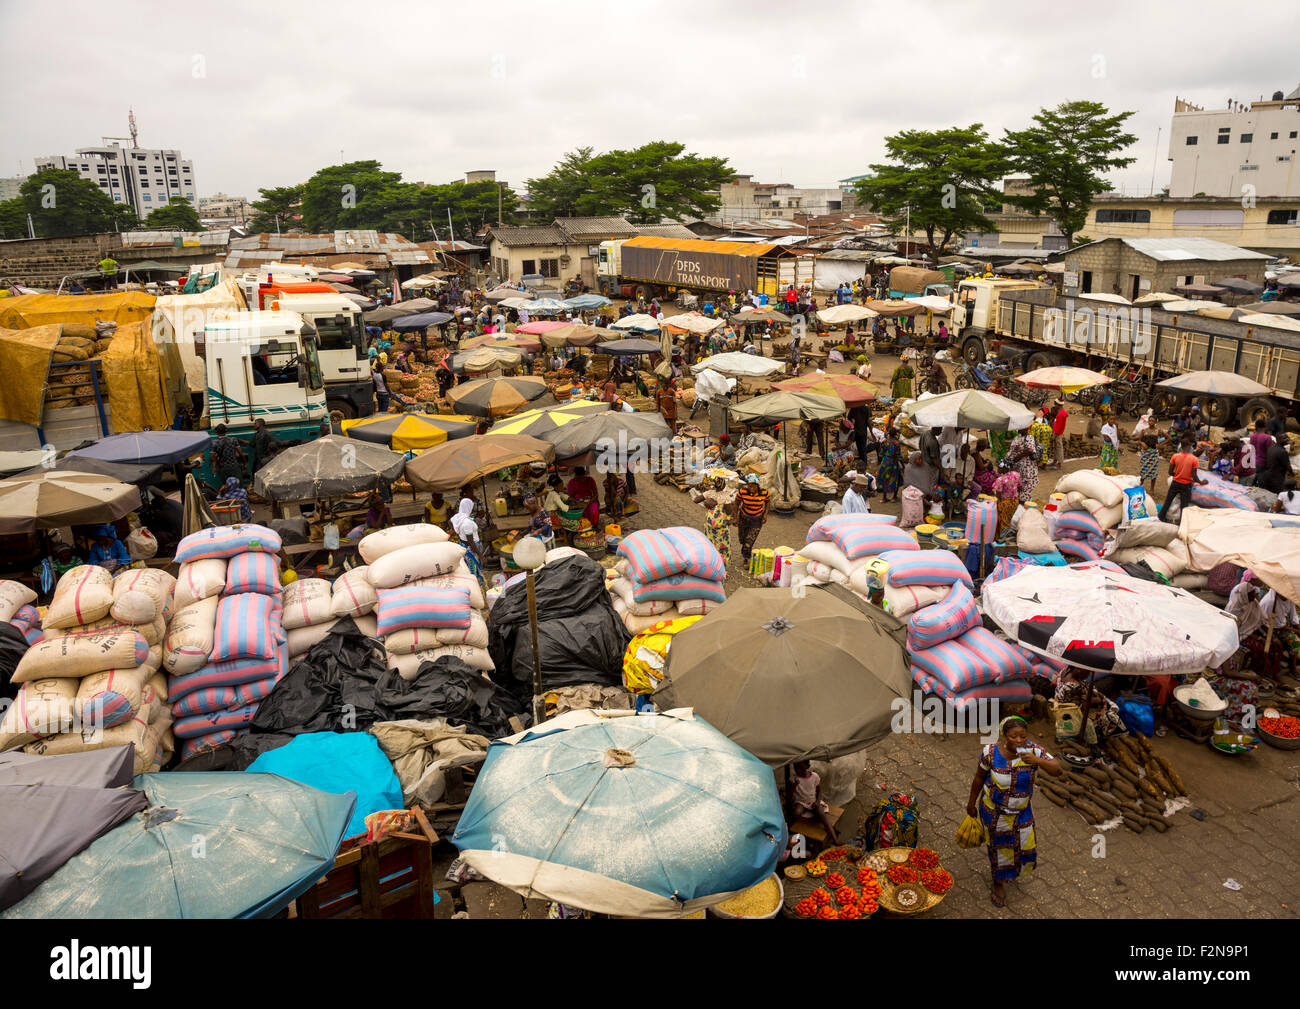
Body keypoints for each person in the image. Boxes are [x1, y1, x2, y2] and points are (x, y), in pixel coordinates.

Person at [966, 715, 1062, 907]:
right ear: (1004, 736)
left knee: (1024, 846)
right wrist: (970, 804)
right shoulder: (990, 753)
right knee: (999, 848)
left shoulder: (1033, 750)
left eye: (1022, 736)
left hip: (1022, 811)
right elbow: (978, 778)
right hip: (995, 812)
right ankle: (998, 882)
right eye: (1013, 737)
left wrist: (1036, 760)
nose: (1019, 741)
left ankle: (1012, 872)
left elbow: (1057, 769)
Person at [1054, 668, 1126, 739]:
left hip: (1066, 706)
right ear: (1079, 670)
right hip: (1073, 715)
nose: (1089, 675)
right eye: (1087, 672)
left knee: (1109, 704)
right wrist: (1097, 700)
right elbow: (1081, 706)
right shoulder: (1074, 687)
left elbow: (1083, 693)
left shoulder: (1065, 671)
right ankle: (1103, 736)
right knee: (1112, 717)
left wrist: (1095, 694)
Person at [789, 759, 839, 844]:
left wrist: (817, 801)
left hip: (812, 801)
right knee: (797, 812)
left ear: (807, 766)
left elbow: (819, 791)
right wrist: (794, 786)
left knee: (822, 815)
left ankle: (835, 839)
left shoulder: (814, 776)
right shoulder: (794, 779)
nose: (798, 770)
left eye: (801, 768)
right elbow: (789, 796)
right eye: (796, 768)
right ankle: (800, 834)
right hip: (801, 802)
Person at [1158, 439, 1207, 522]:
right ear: (1189, 447)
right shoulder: (1194, 459)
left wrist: (1178, 475)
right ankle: (1182, 523)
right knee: (1184, 506)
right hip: (1186, 485)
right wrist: (1201, 482)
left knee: (1167, 502)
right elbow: (1194, 476)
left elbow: (1170, 472)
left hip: (1175, 483)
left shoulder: (1175, 456)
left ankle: (1160, 519)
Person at [734, 474, 768, 565]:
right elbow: (736, 503)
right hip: (743, 518)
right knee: (742, 539)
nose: (751, 488)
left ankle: (746, 558)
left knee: (749, 541)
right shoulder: (742, 492)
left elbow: (768, 502)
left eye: (754, 486)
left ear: (758, 485)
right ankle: (745, 548)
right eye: (749, 485)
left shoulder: (764, 493)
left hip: (757, 520)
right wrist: (735, 518)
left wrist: (765, 514)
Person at [451, 498, 486, 585]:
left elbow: (450, 522)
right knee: (473, 570)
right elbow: (471, 541)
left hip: (464, 545)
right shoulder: (467, 523)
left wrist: (459, 534)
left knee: (467, 569)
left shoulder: (458, 517)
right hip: (472, 549)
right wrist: (481, 555)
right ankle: (477, 588)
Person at [702, 476, 734, 568]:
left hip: (709, 528)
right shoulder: (725, 496)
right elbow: (729, 511)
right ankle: (721, 568)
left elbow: (696, 500)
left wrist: (708, 501)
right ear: (724, 485)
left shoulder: (710, 493)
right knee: (722, 549)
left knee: (710, 545)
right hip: (721, 530)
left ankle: (710, 565)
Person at [877, 427, 902, 503]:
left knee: (884, 478)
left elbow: (881, 454)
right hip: (893, 462)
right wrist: (903, 466)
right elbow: (898, 455)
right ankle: (894, 497)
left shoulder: (884, 442)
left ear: (889, 434)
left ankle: (884, 498)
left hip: (885, 461)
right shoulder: (897, 443)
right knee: (895, 478)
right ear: (895, 434)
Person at [1050, 400, 1068, 470]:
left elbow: (1060, 425)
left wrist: (1056, 434)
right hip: (1058, 432)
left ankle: (1059, 463)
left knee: (1058, 448)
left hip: (1057, 432)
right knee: (1056, 447)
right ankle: (1055, 461)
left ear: (1057, 404)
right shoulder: (1062, 412)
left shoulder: (1061, 414)